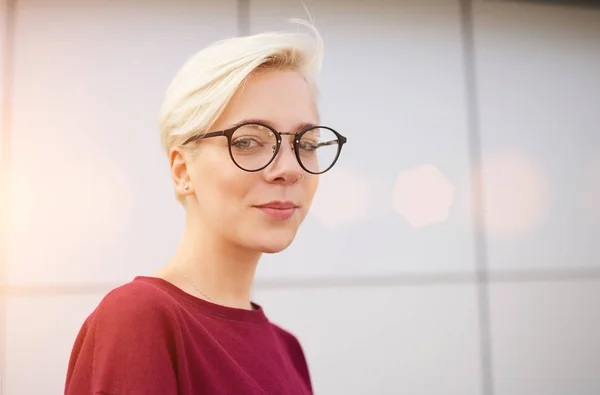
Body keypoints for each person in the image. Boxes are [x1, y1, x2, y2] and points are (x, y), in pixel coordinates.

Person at [64, 19, 347, 395]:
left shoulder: (288, 349)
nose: (290, 169)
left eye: (306, 144)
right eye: (248, 142)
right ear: (183, 171)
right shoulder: (140, 317)